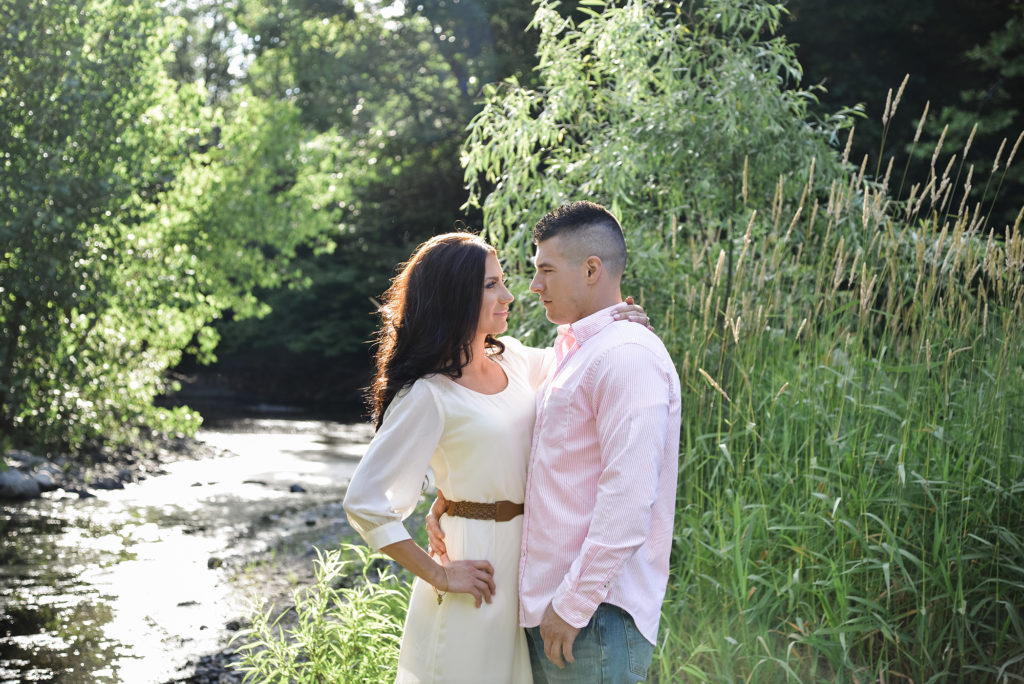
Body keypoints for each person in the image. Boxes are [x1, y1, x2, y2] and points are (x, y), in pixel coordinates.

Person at [342, 231, 650, 684]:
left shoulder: (513, 360)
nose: (509, 295)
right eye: (492, 285)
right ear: (455, 296)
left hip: (530, 567)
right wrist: (440, 576)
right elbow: (365, 502)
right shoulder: (428, 393)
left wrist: (614, 319)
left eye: (503, 281)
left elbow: (578, 361)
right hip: (477, 570)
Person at [429, 202, 682, 683]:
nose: (532, 286)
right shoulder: (576, 351)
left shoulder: (626, 356)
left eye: (545, 270)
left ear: (592, 270)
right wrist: (454, 497)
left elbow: (627, 504)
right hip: (553, 614)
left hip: (594, 620)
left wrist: (571, 607)